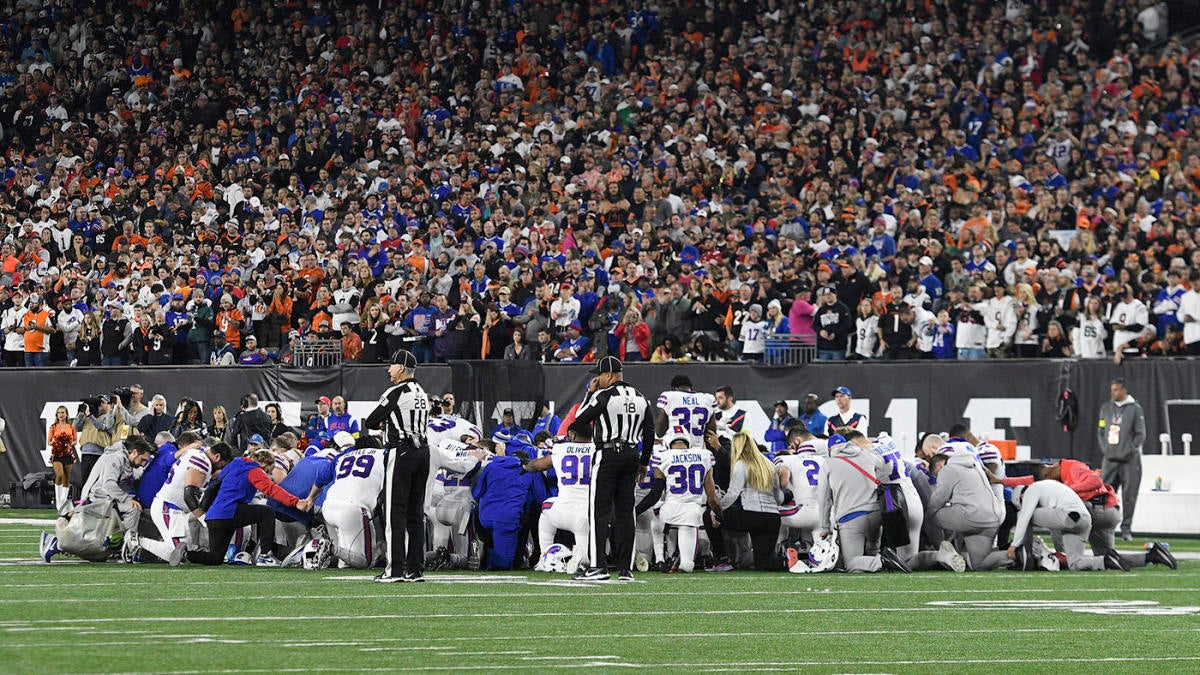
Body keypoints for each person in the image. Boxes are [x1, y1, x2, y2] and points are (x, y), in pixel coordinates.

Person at [567, 355, 655, 581]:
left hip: (607, 455)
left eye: (599, 376)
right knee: (626, 512)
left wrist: (589, 393)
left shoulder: (604, 395)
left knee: (599, 510)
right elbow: (649, 432)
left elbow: (577, 420)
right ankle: (625, 569)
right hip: (632, 455)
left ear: (608, 375)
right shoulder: (641, 397)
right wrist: (644, 462)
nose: (597, 380)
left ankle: (598, 566)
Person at [172, 448, 312, 567]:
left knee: (215, 558)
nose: (267, 474)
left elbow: (216, 482)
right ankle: (265, 555)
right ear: (263, 462)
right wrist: (295, 502)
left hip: (214, 516)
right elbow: (271, 490)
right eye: (267, 470)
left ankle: (187, 554)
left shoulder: (235, 463)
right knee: (267, 512)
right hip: (229, 512)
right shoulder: (253, 469)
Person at [364, 349, 431, 582]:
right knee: (415, 513)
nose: (388, 369)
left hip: (401, 452)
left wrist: (386, 424)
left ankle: (394, 570)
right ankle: (415, 569)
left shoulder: (396, 390)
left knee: (395, 512)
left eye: (391, 365)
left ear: (401, 368)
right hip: (423, 452)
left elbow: (371, 421)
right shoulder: (422, 392)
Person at [815, 430, 909, 573]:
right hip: (876, 513)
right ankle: (879, 559)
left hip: (851, 518)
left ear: (830, 449)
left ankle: (882, 561)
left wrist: (824, 527)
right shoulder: (865, 454)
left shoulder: (828, 464)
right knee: (872, 550)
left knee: (851, 563)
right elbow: (882, 463)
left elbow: (824, 500)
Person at [636, 426, 715, 573]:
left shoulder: (663, 457)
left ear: (668, 443)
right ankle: (680, 557)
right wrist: (719, 514)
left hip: (668, 512)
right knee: (687, 566)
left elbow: (655, 494)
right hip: (692, 511)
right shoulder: (704, 455)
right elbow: (712, 496)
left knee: (657, 519)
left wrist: (634, 512)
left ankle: (662, 558)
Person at [141, 434, 228, 563]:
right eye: (221, 465)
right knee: (179, 553)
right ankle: (137, 541)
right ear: (217, 457)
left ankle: (159, 542)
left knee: (186, 551)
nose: (220, 469)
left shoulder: (198, 452)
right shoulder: (202, 460)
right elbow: (189, 495)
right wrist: (204, 521)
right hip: (168, 507)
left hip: (175, 508)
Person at [525, 427, 595, 574]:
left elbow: (536, 465)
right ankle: (583, 558)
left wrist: (524, 465)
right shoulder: (597, 450)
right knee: (586, 559)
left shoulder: (561, 449)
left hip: (565, 512)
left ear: (572, 434)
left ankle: (544, 556)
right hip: (591, 515)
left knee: (546, 507)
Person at [711, 432, 783, 571]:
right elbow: (779, 498)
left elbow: (732, 494)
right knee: (764, 564)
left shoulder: (741, 464)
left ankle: (721, 559)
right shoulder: (769, 465)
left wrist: (717, 512)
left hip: (752, 516)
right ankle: (787, 561)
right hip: (773, 518)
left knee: (707, 517)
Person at [925, 452, 1008, 571]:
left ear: (939, 466)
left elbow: (939, 499)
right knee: (979, 565)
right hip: (992, 518)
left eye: (936, 475)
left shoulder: (948, 469)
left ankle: (942, 550)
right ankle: (1017, 554)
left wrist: (927, 513)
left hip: (972, 517)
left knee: (932, 515)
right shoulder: (975, 466)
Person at [1008, 481, 1109, 572]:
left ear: (1021, 496)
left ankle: (1027, 558)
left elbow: (1024, 517)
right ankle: (1106, 561)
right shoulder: (1046, 487)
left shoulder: (1032, 489)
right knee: (1075, 564)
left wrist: (1014, 545)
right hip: (1084, 521)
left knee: (1022, 515)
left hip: (1069, 516)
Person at [1097, 378, 1145, 540]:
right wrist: (1106, 449)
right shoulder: (1106, 408)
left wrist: (1129, 450)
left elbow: (1140, 434)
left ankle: (1126, 529)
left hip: (1129, 461)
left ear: (1124, 391)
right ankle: (1102, 528)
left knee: (1129, 496)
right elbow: (1101, 430)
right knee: (1104, 495)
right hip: (1110, 460)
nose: (1113, 393)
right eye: (1112, 390)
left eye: (1116, 390)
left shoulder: (1135, 409)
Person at [775, 426, 825, 546]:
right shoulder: (822, 457)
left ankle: (778, 549)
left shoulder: (785, 459)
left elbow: (783, 483)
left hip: (801, 513)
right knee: (822, 545)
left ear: (797, 441)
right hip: (828, 513)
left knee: (773, 512)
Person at [654, 374, 717, 447]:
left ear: (673, 388)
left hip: (675, 450)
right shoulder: (707, 398)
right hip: (698, 452)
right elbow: (711, 433)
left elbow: (660, 432)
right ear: (692, 388)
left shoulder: (669, 397)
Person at [47, 405, 78, 512]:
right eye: (59, 412)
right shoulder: (53, 427)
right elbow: (49, 441)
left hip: (68, 454)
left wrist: (68, 443)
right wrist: (57, 442)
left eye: (63, 412)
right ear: (57, 414)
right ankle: (58, 501)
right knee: (60, 475)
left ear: (66, 414)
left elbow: (75, 441)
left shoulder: (71, 427)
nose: (61, 414)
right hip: (56, 454)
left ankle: (63, 502)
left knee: (66, 478)